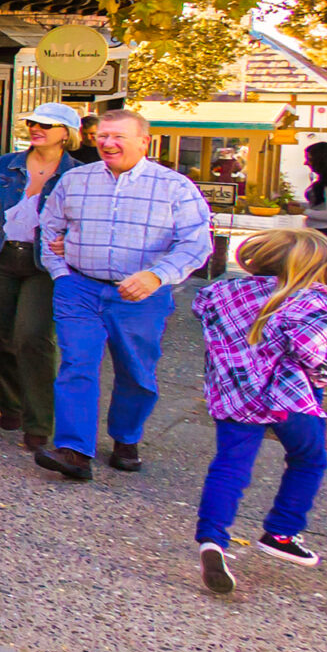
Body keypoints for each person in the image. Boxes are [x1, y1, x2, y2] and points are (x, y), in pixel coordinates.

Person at [34, 109, 214, 481]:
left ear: (144, 142)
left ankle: (126, 437)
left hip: (140, 296)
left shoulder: (175, 188)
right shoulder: (75, 181)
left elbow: (196, 245)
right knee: (76, 365)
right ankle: (74, 450)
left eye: (118, 136)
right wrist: (61, 274)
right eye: (102, 136)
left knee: (136, 372)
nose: (108, 143)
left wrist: (157, 275)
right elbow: (49, 228)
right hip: (79, 288)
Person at [191, 229, 327, 595]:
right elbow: (313, 351)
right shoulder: (315, 299)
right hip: (288, 396)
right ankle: (281, 532)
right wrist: (324, 375)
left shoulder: (223, 291)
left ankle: (212, 540)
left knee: (230, 465)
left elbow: (205, 315)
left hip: (233, 391)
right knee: (308, 458)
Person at [0, 102, 94, 453]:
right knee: (2, 338)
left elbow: (86, 222)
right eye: (33, 123)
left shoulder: (77, 175)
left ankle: (38, 422)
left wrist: (72, 241)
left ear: (67, 134)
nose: (36, 129)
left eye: (46, 125)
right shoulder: (5, 166)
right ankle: (11, 405)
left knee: (32, 336)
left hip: (44, 265)